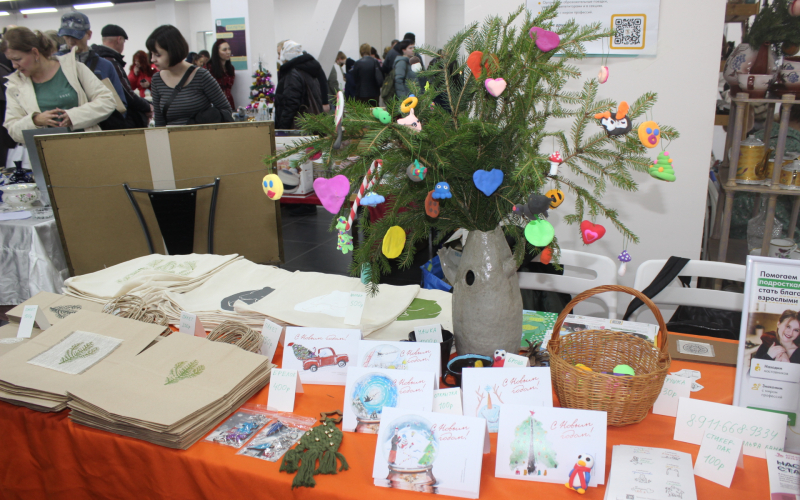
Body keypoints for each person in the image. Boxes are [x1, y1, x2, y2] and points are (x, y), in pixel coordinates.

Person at [2, 26, 115, 144]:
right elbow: (13, 129)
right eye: (11, 60)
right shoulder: (15, 85)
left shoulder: (74, 68)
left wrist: (73, 116)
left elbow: (107, 101)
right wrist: (35, 120)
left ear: (35, 53)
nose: (14, 66)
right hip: (45, 152)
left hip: (87, 147)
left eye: (17, 59)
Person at [146, 25, 231, 126]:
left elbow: (225, 110)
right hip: (172, 135)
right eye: (151, 54)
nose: (152, 59)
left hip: (201, 134)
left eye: (158, 55)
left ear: (173, 51)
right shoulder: (157, 79)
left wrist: (200, 122)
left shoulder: (201, 75)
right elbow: (160, 122)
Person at [57, 12, 127, 112]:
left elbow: (120, 103)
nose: (71, 41)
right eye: (67, 36)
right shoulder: (55, 64)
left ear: (89, 34)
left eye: (76, 36)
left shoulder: (105, 66)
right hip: (64, 119)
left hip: (102, 120)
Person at [92, 24, 152, 128]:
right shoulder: (111, 61)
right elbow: (126, 93)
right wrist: (148, 106)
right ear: (119, 39)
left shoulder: (94, 60)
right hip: (116, 118)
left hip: (98, 116)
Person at [273, 40, 324, 129]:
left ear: (285, 55)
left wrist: (282, 128)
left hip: (298, 127)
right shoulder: (308, 70)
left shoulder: (293, 74)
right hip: (311, 123)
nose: (279, 57)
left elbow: (291, 103)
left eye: (280, 54)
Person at [207, 39, 235, 109]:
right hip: (215, 105)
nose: (228, 52)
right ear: (217, 52)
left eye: (229, 49)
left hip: (229, 102)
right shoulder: (208, 68)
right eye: (224, 50)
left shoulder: (230, 68)